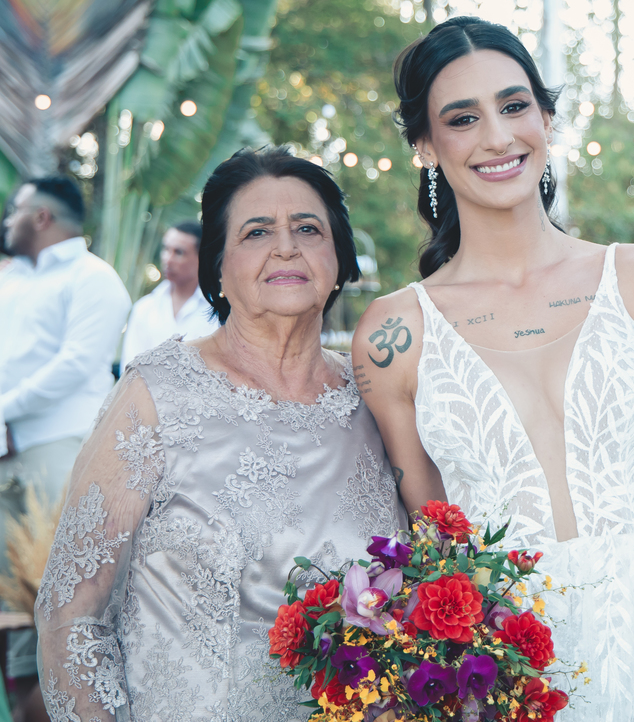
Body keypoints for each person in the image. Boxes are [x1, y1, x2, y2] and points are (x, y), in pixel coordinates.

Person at [354, 17, 634, 720]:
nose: (498, 136)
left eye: (514, 105)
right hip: (516, 682)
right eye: (463, 119)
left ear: (547, 120)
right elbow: (436, 557)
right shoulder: (394, 334)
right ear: (426, 147)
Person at [35, 148, 406, 721]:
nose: (286, 247)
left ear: (338, 256)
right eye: (257, 232)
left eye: (308, 228)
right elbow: (70, 614)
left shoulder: (377, 400)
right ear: (219, 267)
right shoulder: (156, 393)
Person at [0, 176, 131, 683]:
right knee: (11, 608)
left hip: (61, 450)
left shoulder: (93, 277)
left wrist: (4, 407)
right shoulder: (11, 279)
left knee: (60, 597)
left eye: (15, 210)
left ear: (41, 217)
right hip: (8, 449)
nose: (7, 221)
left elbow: (77, 363)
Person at [120, 219, 219, 371]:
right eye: (166, 249)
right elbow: (130, 369)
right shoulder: (145, 308)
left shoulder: (217, 311)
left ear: (201, 257)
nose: (168, 259)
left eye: (179, 252)